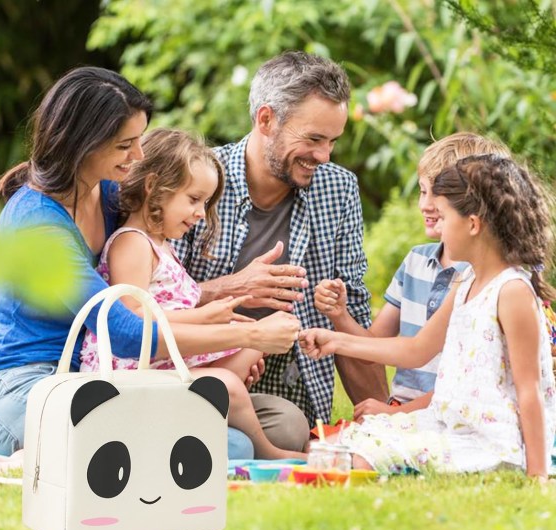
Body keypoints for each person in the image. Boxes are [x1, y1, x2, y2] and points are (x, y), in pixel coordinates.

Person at [0, 66, 300, 461]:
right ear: (83, 144)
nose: (139, 156)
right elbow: (126, 332)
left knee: (284, 423)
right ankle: (7, 453)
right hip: (33, 385)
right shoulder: (37, 222)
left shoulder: (109, 197)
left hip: (104, 378)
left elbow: (152, 299)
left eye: (139, 141)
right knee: (230, 446)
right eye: (126, 144)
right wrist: (249, 337)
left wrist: (225, 319)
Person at [300, 154, 556, 480]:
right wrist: (335, 340)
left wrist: (538, 475)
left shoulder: (511, 291)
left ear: (473, 224)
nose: (439, 226)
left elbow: (529, 390)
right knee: (333, 445)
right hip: (447, 422)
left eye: (445, 217)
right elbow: (415, 349)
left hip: (488, 441)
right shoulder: (466, 283)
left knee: (357, 460)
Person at [173, 51, 388, 435]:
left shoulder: (338, 190)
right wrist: (233, 288)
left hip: (292, 392)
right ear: (266, 120)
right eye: (314, 139)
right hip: (196, 377)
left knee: (288, 430)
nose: (323, 156)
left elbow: (351, 313)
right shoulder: (195, 182)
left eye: (332, 141)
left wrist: (383, 422)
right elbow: (149, 303)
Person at [80, 128, 305, 460]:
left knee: (251, 348)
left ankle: (217, 425)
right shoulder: (132, 243)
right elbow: (133, 319)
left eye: (205, 202)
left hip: (162, 367)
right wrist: (203, 317)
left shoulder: (162, 247)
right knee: (226, 384)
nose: (201, 213)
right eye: (194, 199)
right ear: (153, 187)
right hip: (130, 376)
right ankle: (268, 451)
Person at [314, 133, 511, 421]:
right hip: (403, 409)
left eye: (438, 195)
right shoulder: (416, 262)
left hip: (452, 412)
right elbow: (374, 348)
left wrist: (397, 415)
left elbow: (467, 384)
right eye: (422, 191)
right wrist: (340, 315)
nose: (426, 205)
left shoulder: (483, 278)